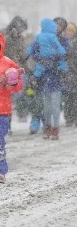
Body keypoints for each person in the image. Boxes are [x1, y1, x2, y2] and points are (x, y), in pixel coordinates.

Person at [0, 33, 23, 183]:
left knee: (0, 141)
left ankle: (1, 170)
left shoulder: (8, 63)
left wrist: (10, 82)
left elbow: (18, 86)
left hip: (3, 110)